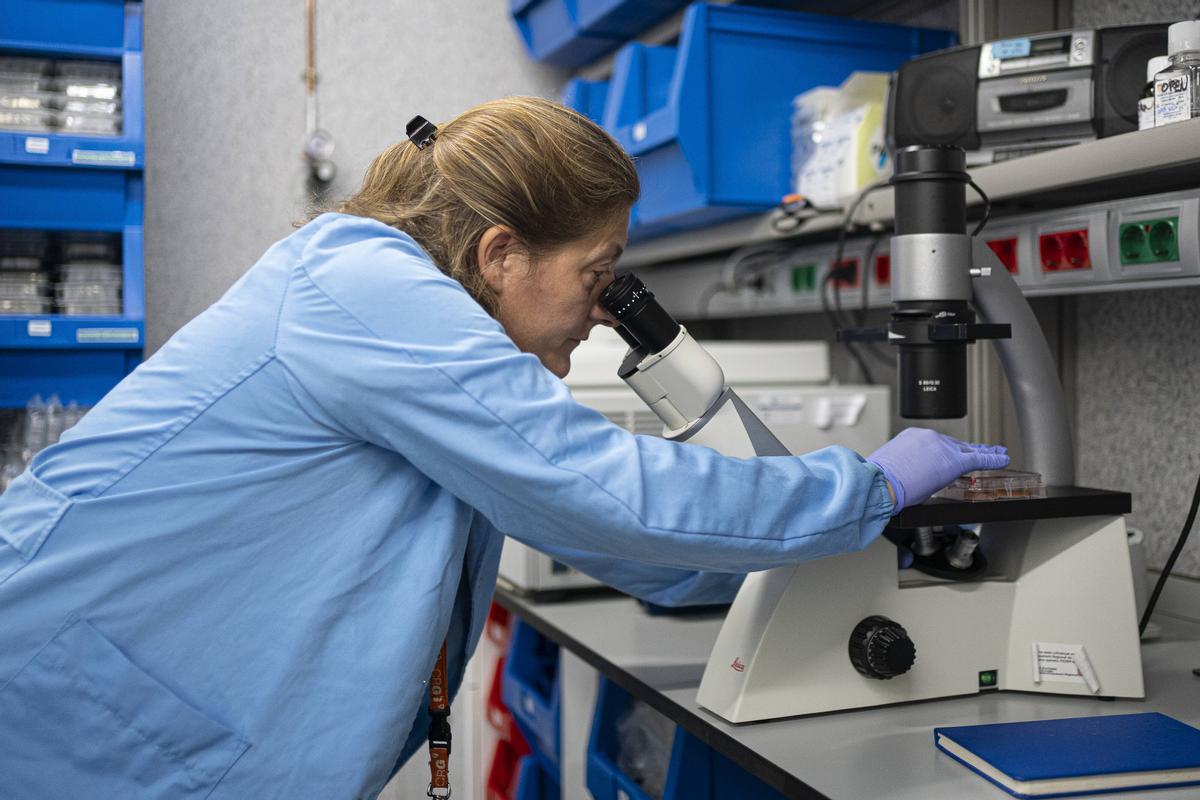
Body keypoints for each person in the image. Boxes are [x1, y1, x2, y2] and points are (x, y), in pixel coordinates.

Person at [0, 96, 1007, 799]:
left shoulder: (427, 355)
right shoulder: (358, 282)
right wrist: (863, 484)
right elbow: (609, 489)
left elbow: (650, 549)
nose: (602, 314)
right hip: (66, 716)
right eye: (598, 273)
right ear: (498, 252)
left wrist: (858, 535)